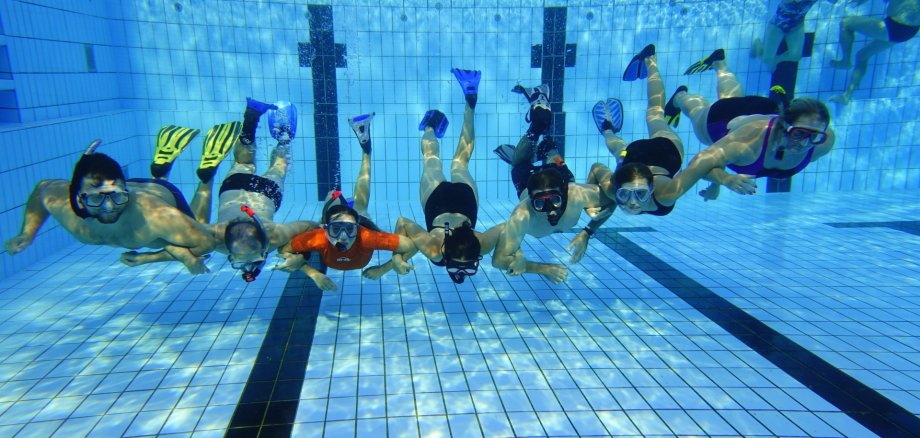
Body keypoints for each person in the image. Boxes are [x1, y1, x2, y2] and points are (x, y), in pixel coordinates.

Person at [122, 98, 318, 282]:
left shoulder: (271, 235)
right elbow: (176, 243)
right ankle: (250, 120)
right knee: (243, 163)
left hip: (266, 193)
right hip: (233, 188)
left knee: (279, 167)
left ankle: (282, 139)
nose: (249, 266)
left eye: (240, 262)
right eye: (256, 259)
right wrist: (143, 258)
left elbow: (311, 225)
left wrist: (293, 251)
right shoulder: (219, 237)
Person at [4, 128, 225, 274]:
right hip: (132, 191)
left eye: (116, 198)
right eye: (97, 199)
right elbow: (43, 188)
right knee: (167, 237)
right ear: (79, 199)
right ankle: (160, 168)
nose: (109, 207)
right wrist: (27, 233)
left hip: (159, 195)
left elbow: (205, 242)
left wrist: (149, 258)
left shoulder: (155, 216)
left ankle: (207, 174)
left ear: (124, 190)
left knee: (198, 222)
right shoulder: (65, 207)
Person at [366, 68, 505, 284]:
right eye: (467, 266)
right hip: (437, 202)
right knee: (430, 157)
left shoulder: (483, 244)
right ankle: (430, 125)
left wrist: (510, 252)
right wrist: (391, 263)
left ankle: (470, 102)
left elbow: (507, 227)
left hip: (464, 202)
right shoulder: (433, 249)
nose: (462, 269)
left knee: (461, 160)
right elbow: (403, 224)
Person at [276, 113, 417, 290]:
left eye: (350, 229)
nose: (342, 236)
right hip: (343, 219)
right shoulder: (319, 238)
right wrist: (310, 271)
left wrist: (386, 268)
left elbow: (411, 245)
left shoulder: (366, 237)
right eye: (335, 229)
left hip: (356, 217)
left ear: (358, 229)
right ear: (326, 229)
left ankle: (366, 153)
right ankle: (361, 159)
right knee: (338, 198)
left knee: (359, 207)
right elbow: (283, 250)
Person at [491, 84, 613, 284]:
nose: (549, 210)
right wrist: (540, 268)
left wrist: (588, 232)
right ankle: (538, 121)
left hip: (557, 177)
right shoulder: (523, 214)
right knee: (532, 146)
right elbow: (498, 260)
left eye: (555, 200)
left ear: (565, 193)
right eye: (540, 203)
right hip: (528, 179)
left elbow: (618, 198)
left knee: (547, 156)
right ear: (531, 200)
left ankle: (544, 146)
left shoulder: (576, 194)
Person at [588, 44, 706, 216]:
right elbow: (704, 161)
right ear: (652, 189)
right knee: (652, 116)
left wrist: (591, 203)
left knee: (652, 117)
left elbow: (596, 168)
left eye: (640, 193)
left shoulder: (613, 191)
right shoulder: (668, 194)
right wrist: (723, 181)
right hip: (664, 152)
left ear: (651, 189)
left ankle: (608, 129)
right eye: (625, 195)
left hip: (632, 157)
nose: (632, 203)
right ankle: (649, 60)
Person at [830, 0, 920, 104]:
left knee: (846, 23)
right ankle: (846, 96)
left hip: (894, 27)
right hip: (908, 31)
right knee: (862, 56)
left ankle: (845, 61)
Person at [751, 0, 828, 72]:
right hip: (778, 24)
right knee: (766, 59)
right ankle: (758, 43)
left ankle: (776, 60)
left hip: (797, 25)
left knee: (796, 56)